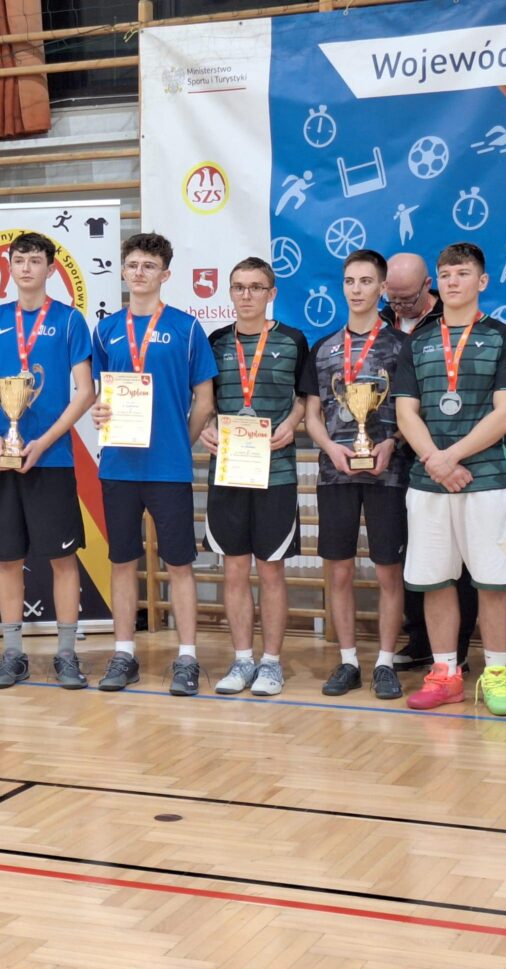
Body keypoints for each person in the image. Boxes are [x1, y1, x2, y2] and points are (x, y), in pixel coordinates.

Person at [394, 242, 506, 715]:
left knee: (492, 582)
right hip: (428, 480)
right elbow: (405, 411)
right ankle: (446, 673)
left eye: (463, 273)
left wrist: (449, 457)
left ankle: (495, 676)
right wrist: (435, 460)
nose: (453, 282)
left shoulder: (504, 338)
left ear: (482, 281)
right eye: (446, 274)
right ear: (436, 282)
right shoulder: (418, 341)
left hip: (485, 479)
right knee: (435, 581)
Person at [0, 232, 95, 690]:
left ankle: (66, 654)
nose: (26, 268)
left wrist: (43, 442)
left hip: (51, 458)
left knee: (62, 558)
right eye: (19, 260)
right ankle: (13, 653)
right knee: (7, 558)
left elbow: (86, 391)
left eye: (35, 260)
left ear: (50, 268)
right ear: (9, 266)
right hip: (1, 458)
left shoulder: (69, 320)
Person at [90, 233, 216, 696]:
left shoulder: (187, 328)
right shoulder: (106, 329)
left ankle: (187, 658)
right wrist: (99, 411)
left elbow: (204, 399)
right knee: (122, 561)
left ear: (165, 274)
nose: (139, 272)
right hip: (118, 467)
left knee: (179, 563)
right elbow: (99, 394)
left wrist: (179, 442)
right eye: (133, 265)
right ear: (123, 272)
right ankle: (124, 653)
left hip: (168, 468)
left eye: (149, 266)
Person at [302, 250, 408, 700]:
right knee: (340, 572)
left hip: (389, 473)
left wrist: (391, 442)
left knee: (388, 573)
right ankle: (348, 660)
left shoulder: (402, 347)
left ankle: (384, 662)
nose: (357, 289)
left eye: (366, 281)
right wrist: (330, 448)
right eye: (350, 281)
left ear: (382, 288)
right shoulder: (323, 348)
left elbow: (412, 412)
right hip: (336, 474)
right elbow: (311, 415)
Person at [200, 257, 309, 696]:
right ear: (230, 292)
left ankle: (271, 664)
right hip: (228, 472)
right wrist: (206, 428)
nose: (247, 295)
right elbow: (203, 401)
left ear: (271, 293)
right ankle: (243, 659)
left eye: (256, 287)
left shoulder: (293, 340)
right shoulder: (215, 342)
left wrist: (294, 422)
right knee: (233, 570)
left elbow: (305, 399)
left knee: (271, 571)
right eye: (239, 287)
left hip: (275, 472)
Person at [382, 253, 478, 674]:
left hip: (449, 453)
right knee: (413, 553)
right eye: (393, 297)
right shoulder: (380, 319)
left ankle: (458, 648)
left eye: (408, 298)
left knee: (460, 558)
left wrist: (441, 456)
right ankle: (421, 640)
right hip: (393, 456)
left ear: (428, 287)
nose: (399, 306)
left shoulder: (451, 319)